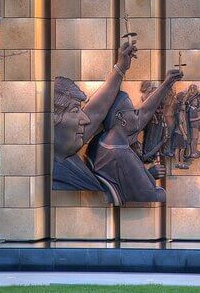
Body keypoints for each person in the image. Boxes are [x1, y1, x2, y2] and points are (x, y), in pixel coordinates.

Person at [87, 69, 183, 204]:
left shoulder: (100, 141)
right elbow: (151, 195)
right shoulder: (122, 154)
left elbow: (145, 111)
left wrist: (167, 83)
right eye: (132, 111)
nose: (137, 113)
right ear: (121, 117)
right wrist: (151, 176)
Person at [51, 40, 136, 192]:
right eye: (75, 110)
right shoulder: (57, 177)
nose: (86, 119)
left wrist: (120, 69)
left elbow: (97, 110)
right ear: (53, 118)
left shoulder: (64, 151)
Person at [168, 91, 189, 169]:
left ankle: (177, 163)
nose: (185, 106)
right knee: (182, 148)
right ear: (181, 106)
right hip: (180, 133)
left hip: (179, 132)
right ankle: (181, 163)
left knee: (178, 148)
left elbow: (184, 99)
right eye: (183, 105)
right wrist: (184, 134)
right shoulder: (180, 113)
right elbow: (180, 124)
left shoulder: (180, 112)